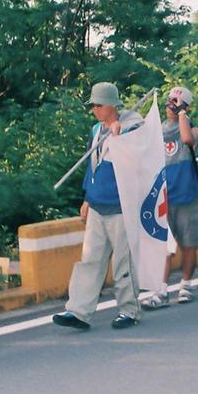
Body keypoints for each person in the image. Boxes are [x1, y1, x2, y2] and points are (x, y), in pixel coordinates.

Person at [53, 82, 145, 331]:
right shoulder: (96, 129)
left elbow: (136, 162)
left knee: (123, 262)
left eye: (97, 105)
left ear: (111, 106)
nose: (93, 109)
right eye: (92, 105)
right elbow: (92, 165)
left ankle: (129, 310)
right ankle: (79, 311)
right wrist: (87, 197)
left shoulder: (133, 127)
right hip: (97, 204)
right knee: (90, 259)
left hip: (120, 205)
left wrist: (119, 139)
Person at [141, 87, 198, 309]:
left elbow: (187, 138)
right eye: (169, 101)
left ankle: (186, 284)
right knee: (164, 247)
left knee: (188, 244)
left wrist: (182, 115)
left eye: (177, 102)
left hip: (188, 195)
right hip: (165, 198)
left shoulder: (194, 130)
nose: (171, 105)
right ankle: (161, 290)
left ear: (186, 106)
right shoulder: (158, 130)